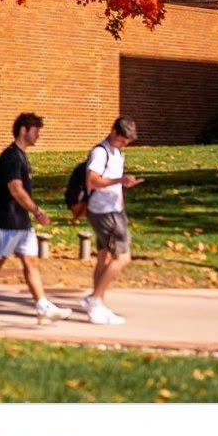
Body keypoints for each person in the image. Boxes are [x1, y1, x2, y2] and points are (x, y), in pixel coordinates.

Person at [0, 112, 72, 325]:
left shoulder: (20, 156)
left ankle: (42, 306)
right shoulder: (11, 156)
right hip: (7, 220)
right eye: (35, 131)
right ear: (23, 130)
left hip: (20, 221)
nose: (38, 135)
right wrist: (36, 211)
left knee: (31, 262)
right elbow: (15, 189)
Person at [82, 115, 141, 324]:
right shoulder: (100, 152)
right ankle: (94, 299)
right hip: (104, 211)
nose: (124, 144)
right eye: (122, 140)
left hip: (114, 209)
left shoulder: (117, 153)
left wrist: (122, 194)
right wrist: (119, 180)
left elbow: (116, 183)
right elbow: (92, 181)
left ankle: (98, 307)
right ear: (114, 132)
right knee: (123, 257)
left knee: (104, 258)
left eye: (127, 143)